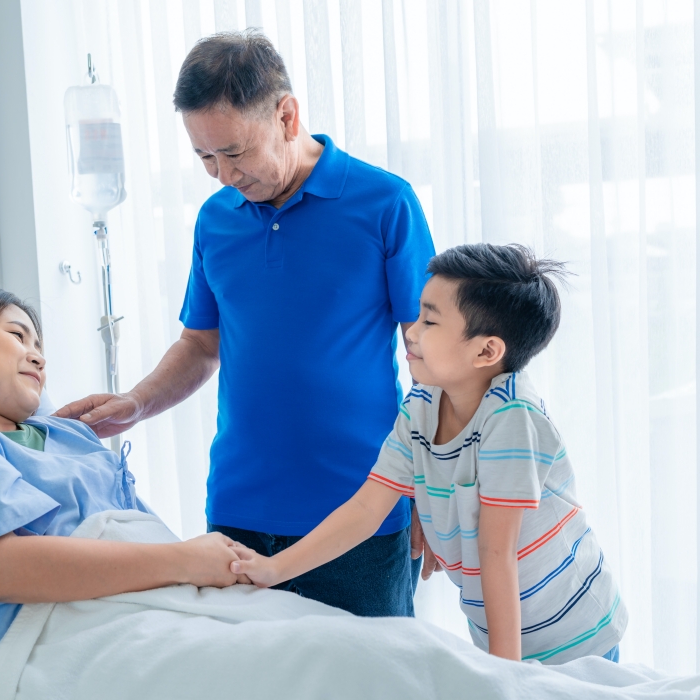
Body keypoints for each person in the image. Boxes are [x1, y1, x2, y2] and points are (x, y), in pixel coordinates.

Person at [56, 30, 437, 617]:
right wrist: (136, 404)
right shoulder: (215, 222)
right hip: (238, 515)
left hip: (362, 513)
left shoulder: (386, 203)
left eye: (235, 152)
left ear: (286, 115)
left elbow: (433, 363)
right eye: (205, 156)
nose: (221, 173)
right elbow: (200, 345)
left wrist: (436, 497)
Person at [228, 243, 628, 664]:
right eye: (418, 314)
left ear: (486, 351)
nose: (412, 331)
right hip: (507, 633)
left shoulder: (511, 418)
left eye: (430, 320)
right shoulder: (421, 405)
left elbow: (497, 553)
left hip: (578, 636)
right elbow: (366, 508)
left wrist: (505, 674)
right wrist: (274, 569)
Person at [0, 287, 250, 700]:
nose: (38, 356)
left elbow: (143, 538)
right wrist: (187, 560)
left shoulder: (71, 435)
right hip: (51, 643)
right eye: (18, 336)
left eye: (39, 345)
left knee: (312, 632)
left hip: (171, 607)